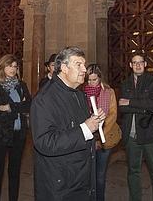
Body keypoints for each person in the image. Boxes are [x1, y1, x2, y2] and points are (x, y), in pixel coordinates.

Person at [31, 46, 106, 200]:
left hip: (82, 179)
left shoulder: (79, 95)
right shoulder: (45, 99)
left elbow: (82, 128)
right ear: (64, 68)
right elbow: (45, 142)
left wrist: (95, 123)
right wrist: (85, 128)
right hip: (61, 185)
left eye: (84, 64)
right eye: (78, 64)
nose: (84, 69)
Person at [119, 54, 153, 201]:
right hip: (131, 136)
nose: (138, 65)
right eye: (134, 62)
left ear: (145, 64)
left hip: (150, 134)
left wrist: (130, 102)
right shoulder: (125, 83)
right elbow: (122, 107)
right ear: (130, 65)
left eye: (140, 62)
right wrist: (142, 106)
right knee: (133, 172)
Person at [0, 54, 31, 201]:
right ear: (2, 67)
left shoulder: (21, 86)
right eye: (9, 65)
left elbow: (29, 105)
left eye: (15, 66)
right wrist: (19, 108)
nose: (12, 69)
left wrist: (10, 107)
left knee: (14, 172)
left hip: (18, 135)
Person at [83, 64, 121, 201]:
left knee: (99, 175)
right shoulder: (82, 92)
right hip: (87, 138)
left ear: (100, 78)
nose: (91, 83)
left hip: (105, 138)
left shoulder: (108, 92)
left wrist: (100, 137)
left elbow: (112, 115)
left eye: (94, 80)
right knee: (87, 175)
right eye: (89, 80)